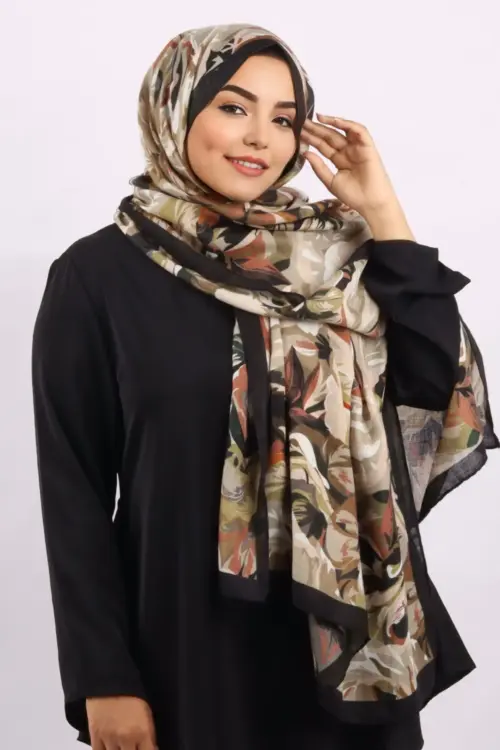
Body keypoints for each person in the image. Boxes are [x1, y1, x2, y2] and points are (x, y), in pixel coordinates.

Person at [31, 22, 498, 750]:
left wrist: (383, 213)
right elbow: (74, 492)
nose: (260, 138)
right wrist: (102, 675)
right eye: (233, 107)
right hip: (189, 646)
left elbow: (437, 386)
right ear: (174, 108)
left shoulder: (345, 263)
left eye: (284, 119)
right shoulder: (98, 275)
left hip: (350, 649)